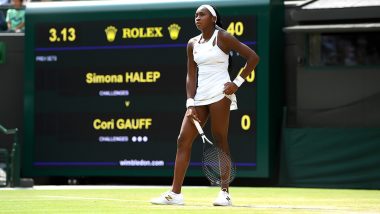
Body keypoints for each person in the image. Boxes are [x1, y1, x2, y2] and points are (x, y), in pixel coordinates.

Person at [151, 4, 259, 206]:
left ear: (214, 18)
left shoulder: (224, 37)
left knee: (220, 140)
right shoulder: (192, 43)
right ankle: (175, 194)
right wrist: (190, 102)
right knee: (183, 139)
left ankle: (224, 193)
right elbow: (191, 75)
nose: (197, 18)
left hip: (220, 94)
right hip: (199, 97)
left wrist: (236, 83)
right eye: (196, 15)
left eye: (202, 14)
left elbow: (253, 57)